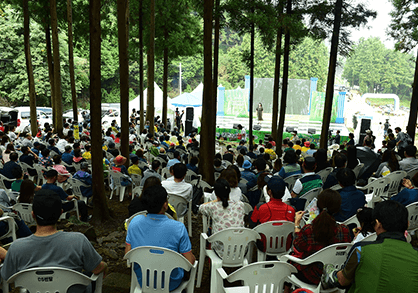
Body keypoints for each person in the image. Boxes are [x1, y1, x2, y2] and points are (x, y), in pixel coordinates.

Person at [1, 189, 108, 291]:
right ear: (60, 213)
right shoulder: (78, 241)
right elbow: (97, 268)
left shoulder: (17, 247)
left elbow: (6, 275)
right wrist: (105, 266)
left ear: (33, 214)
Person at [322, 201, 418, 292]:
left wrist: (329, 269)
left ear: (378, 224)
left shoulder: (361, 250)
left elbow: (342, 281)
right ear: (408, 224)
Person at [125, 185, 195, 291]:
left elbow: (128, 254)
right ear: (165, 205)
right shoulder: (178, 227)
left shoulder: (134, 223)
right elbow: (190, 261)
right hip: (171, 283)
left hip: (143, 280)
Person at [284, 190, 352, 292]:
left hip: (311, 276)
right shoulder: (344, 230)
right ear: (337, 208)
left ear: (318, 206)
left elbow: (297, 247)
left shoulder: (309, 230)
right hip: (334, 276)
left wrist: (297, 225)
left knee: (289, 260)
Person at [199, 178, 245, 255]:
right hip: (240, 250)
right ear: (229, 191)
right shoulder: (240, 205)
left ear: (215, 194)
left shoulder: (212, 206)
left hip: (220, 250)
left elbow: (201, 208)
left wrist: (215, 200)